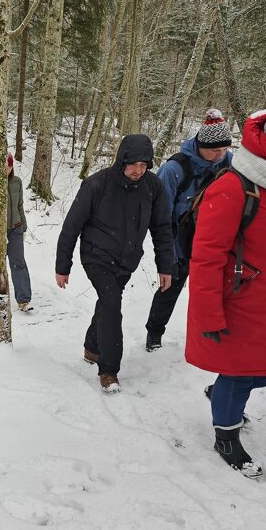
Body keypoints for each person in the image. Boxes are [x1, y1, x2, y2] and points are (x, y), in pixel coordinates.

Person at [185, 103, 266, 478]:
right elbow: (206, 258)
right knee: (240, 372)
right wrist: (208, 315)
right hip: (242, 303)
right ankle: (226, 436)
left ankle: (223, 393)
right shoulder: (235, 186)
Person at [55, 134, 174, 393]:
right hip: (96, 256)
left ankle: (92, 347)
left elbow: (162, 228)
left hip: (127, 260)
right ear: (122, 160)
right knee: (112, 303)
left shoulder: (152, 187)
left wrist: (166, 266)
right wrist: (63, 265)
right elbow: (72, 226)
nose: (138, 170)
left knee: (108, 301)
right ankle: (109, 370)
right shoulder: (97, 184)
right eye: (133, 164)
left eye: (143, 165)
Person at [145, 109, 233, 352]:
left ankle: (212, 335)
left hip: (214, 242)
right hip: (180, 242)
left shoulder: (228, 162)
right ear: (200, 145)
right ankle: (154, 333)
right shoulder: (174, 169)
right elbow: (160, 215)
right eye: (215, 150)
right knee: (169, 290)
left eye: (224, 149)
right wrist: (168, 255)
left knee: (214, 292)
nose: (220, 154)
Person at [0, 153, 32, 311]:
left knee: (18, 262)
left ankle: (23, 299)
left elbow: (20, 206)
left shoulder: (17, 182)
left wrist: (23, 227)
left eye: (9, 166)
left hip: (15, 228)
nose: (7, 169)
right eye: (4, 166)